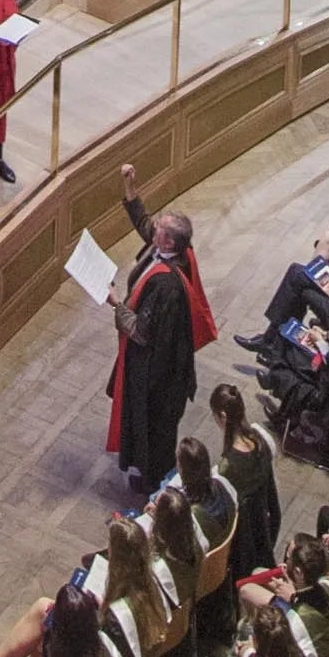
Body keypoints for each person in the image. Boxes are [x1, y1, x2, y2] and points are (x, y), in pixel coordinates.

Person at [110, 195, 212, 487]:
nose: (153, 230)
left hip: (161, 375)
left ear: (167, 243)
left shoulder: (167, 285)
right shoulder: (172, 251)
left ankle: (154, 482)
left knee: (155, 431)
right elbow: (145, 226)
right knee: (155, 429)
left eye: (159, 230)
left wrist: (116, 304)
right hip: (162, 367)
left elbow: (142, 331)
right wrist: (130, 191)